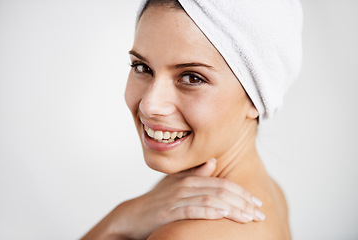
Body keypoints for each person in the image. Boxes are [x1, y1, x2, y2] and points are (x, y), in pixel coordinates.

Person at [82, 0, 302, 239]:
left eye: (192, 78)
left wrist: (118, 222)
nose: (150, 105)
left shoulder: (184, 234)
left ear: (256, 97)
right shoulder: (269, 194)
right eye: (142, 67)